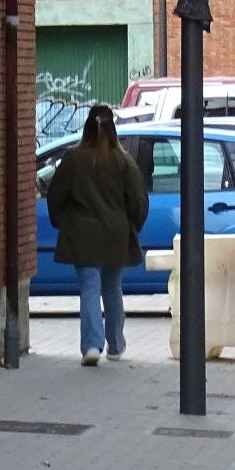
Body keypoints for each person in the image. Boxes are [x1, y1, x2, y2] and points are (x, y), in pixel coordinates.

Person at [46, 105, 149, 366]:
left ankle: (92, 345)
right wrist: (132, 227)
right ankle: (116, 345)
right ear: (113, 130)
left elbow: (55, 195)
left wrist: (62, 222)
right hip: (116, 234)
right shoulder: (124, 161)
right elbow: (138, 200)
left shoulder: (73, 159)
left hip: (82, 234)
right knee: (112, 287)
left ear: (87, 128)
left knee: (89, 288)